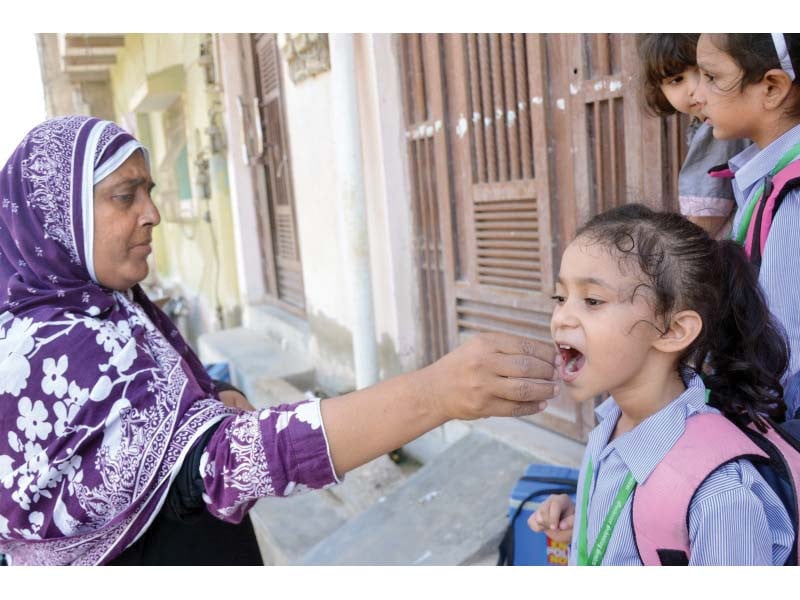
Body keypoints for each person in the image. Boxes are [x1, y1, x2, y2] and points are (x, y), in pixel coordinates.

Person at [0, 116, 558, 565]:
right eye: (126, 196)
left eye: (149, 190)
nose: (154, 214)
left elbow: (156, 404)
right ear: (57, 217)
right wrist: (435, 395)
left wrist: (208, 394)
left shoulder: (106, 303)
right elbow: (220, 464)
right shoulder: (55, 347)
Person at [528, 203, 793, 565]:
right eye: (560, 298)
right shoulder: (611, 422)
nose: (561, 318)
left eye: (592, 300)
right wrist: (583, 522)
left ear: (672, 331)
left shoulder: (721, 495)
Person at [692, 33, 800, 420]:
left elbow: (784, 354)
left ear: (772, 87)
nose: (696, 95)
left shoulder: (793, 194)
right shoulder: (769, 177)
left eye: (712, 77)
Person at [636, 33, 750, 238]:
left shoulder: (718, 130)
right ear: (660, 90)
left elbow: (703, 221)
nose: (695, 88)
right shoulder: (711, 125)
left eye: (706, 72)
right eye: (676, 80)